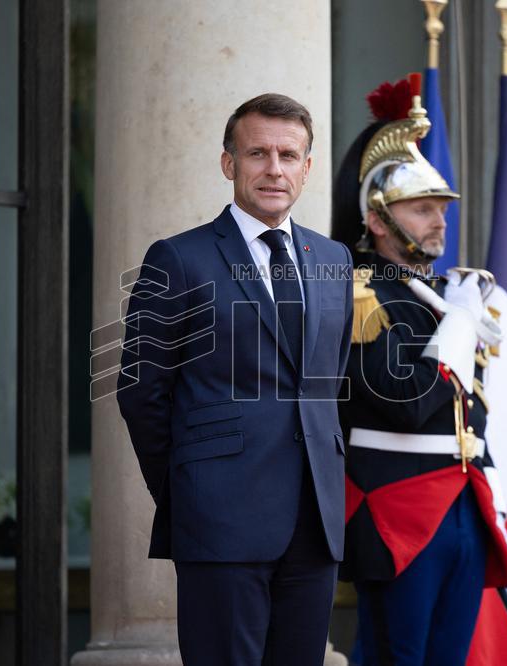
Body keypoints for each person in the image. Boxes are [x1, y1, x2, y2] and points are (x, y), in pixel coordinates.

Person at [117, 93, 354, 665]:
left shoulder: (335, 259)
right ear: (230, 164)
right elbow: (142, 392)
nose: (275, 169)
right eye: (258, 153)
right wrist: (192, 488)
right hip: (220, 520)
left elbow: (327, 383)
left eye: (289, 155)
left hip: (314, 523)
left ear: (307, 167)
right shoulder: (177, 259)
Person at [330, 78, 507, 666]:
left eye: (441, 208)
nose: (439, 221)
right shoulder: (359, 294)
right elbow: (406, 400)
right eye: (422, 208)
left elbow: (471, 408)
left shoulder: (443, 295)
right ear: (378, 220)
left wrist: (492, 481)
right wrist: (459, 325)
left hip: (464, 501)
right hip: (396, 505)